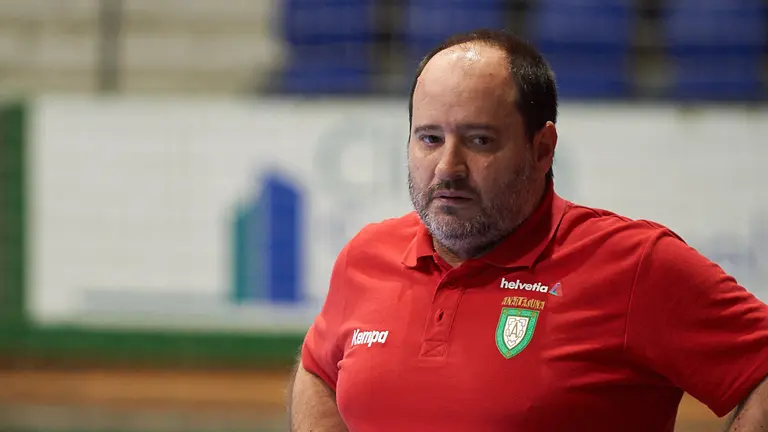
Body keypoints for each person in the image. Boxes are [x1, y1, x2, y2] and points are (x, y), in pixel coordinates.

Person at [287, 29, 768, 432]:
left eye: (479, 141)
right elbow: (319, 370)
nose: (447, 167)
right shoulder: (367, 255)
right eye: (430, 138)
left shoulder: (635, 264)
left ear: (542, 149)